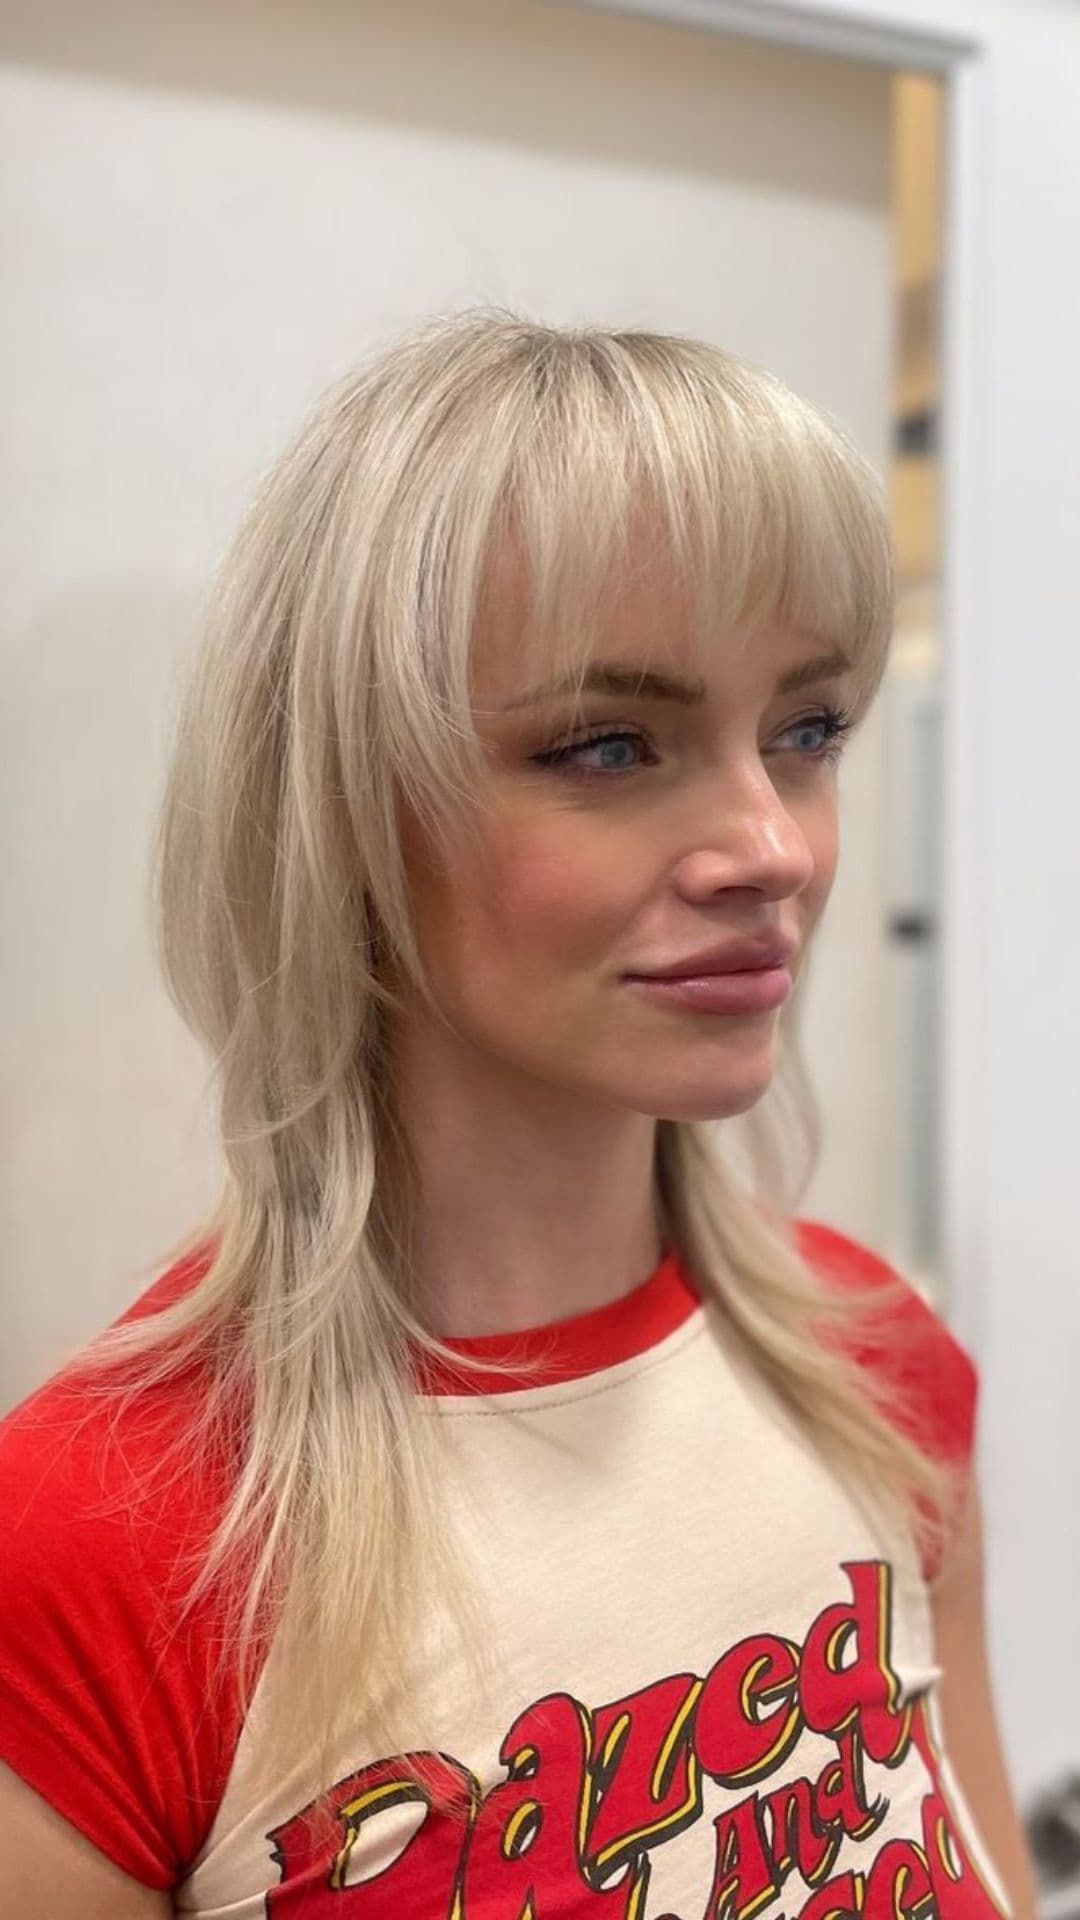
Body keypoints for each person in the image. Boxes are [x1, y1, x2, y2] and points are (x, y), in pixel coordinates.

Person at [0, 312, 1036, 1919]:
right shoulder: (96, 1548)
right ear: (344, 809)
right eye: (610, 746)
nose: (772, 842)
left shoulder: (873, 1361)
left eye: (807, 731)